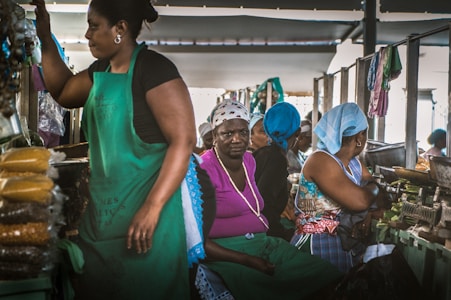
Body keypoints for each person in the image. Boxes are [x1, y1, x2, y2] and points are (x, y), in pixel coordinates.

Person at [31, 0, 198, 299]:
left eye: (94, 26)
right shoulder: (100, 72)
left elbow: (184, 140)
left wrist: (152, 207)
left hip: (149, 229)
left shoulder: (154, 69)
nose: (87, 35)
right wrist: (45, 36)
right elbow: (63, 91)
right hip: (101, 225)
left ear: (120, 28)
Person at [199, 100, 343, 300]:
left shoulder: (249, 161)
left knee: (324, 273)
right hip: (226, 252)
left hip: (262, 243)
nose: (237, 139)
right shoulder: (205, 169)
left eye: (243, 132)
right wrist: (247, 260)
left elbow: (258, 203)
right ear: (214, 136)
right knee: (262, 286)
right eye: (227, 133)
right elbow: (197, 239)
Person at [291, 102, 382, 273]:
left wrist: (371, 197)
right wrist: (374, 186)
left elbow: (378, 201)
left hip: (342, 243)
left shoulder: (355, 164)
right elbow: (361, 201)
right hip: (318, 244)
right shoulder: (320, 160)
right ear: (360, 137)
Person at [252, 102, 300, 241]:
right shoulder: (276, 160)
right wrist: (284, 234)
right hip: (260, 235)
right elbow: (263, 206)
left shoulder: (262, 153)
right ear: (298, 132)